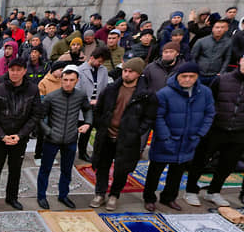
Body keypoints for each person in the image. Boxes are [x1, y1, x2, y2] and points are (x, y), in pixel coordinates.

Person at [89, 58, 158, 211]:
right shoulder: (111, 89)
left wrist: (137, 131)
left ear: (138, 74)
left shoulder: (146, 95)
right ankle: (100, 193)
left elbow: (149, 117)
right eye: (125, 71)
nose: (126, 74)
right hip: (107, 134)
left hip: (127, 138)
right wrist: (100, 124)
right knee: (102, 166)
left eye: (130, 71)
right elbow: (99, 109)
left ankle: (114, 195)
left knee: (122, 169)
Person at [144, 62, 215, 211]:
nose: (188, 79)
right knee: (155, 171)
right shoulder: (165, 93)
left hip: (189, 140)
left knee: (177, 173)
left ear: (197, 77)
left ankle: (168, 198)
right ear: (178, 76)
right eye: (184, 76)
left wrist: (200, 134)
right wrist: (165, 137)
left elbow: (209, 113)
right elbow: (158, 117)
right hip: (166, 140)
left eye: (192, 76)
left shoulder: (205, 93)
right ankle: (149, 198)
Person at [0, 58, 43, 211]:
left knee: (15, 169)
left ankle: (12, 198)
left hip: (19, 139)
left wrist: (20, 135)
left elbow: (35, 115)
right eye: (12, 70)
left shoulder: (33, 90)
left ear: (24, 71)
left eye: (18, 70)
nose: (15, 73)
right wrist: (2, 135)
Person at [184, 55, 244, 206]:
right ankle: (190, 190)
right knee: (200, 160)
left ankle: (214, 191)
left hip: (239, 131)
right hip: (215, 128)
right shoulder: (222, 80)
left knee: (227, 164)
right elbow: (207, 103)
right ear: (240, 61)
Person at [36, 66, 91, 209]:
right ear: (61, 80)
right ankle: (41, 196)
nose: (68, 83)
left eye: (71, 80)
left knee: (67, 170)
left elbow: (87, 109)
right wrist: (48, 132)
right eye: (65, 80)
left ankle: (63, 195)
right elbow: (39, 118)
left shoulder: (80, 96)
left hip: (71, 140)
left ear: (77, 80)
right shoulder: (51, 97)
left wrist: (87, 123)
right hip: (51, 140)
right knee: (45, 169)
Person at [75, 48, 110, 161]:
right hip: (82, 106)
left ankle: (83, 152)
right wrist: (88, 101)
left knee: (88, 132)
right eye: (99, 61)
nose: (100, 64)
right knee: (78, 129)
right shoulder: (80, 70)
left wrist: (100, 101)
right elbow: (77, 89)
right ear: (92, 58)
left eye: (102, 62)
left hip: (97, 106)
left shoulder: (103, 70)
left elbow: (104, 88)